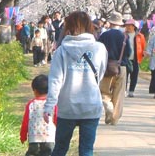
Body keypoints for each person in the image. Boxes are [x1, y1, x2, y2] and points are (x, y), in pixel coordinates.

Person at [43, 11, 107, 156]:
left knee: (60, 148)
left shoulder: (61, 51)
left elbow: (55, 81)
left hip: (67, 107)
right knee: (86, 150)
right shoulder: (99, 48)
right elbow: (100, 74)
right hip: (91, 104)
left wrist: (49, 106)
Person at [98, 11, 131, 125]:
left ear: (110, 23)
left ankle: (108, 109)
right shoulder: (124, 36)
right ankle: (114, 119)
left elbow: (99, 51)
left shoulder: (104, 35)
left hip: (107, 67)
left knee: (104, 92)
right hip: (121, 67)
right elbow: (128, 53)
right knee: (119, 94)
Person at [20, 74, 57, 156]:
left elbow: (25, 122)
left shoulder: (31, 104)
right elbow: (56, 120)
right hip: (49, 138)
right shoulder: (52, 105)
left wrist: (23, 136)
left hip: (34, 138)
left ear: (35, 90)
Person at [124, 19, 146, 97]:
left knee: (134, 75)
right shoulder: (123, 35)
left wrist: (143, 54)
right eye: (126, 26)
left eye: (130, 26)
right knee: (125, 75)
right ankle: (124, 90)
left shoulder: (140, 36)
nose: (128, 27)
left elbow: (143, 47)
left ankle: (131, 91)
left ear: (134, 27)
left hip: (136, 58)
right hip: (126, 58)